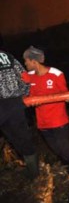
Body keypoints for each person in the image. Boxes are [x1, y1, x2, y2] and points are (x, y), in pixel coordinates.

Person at [23, 46, 69, 174]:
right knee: (56, 149)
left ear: (34, 61)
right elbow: (25, 93)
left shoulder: (56, 74)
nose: (25, 64)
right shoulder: (28, 76)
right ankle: (67, 167)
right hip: (42, 123)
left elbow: (65, 93)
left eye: (26, 61)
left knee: (65, 148)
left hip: (58, 121)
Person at [0, 49, 39, 179]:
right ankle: (34, 174)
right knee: (21, 138)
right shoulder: (8, 56)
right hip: (15, 104)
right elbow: (24, 76)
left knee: (15, 137)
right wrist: (23, 94)